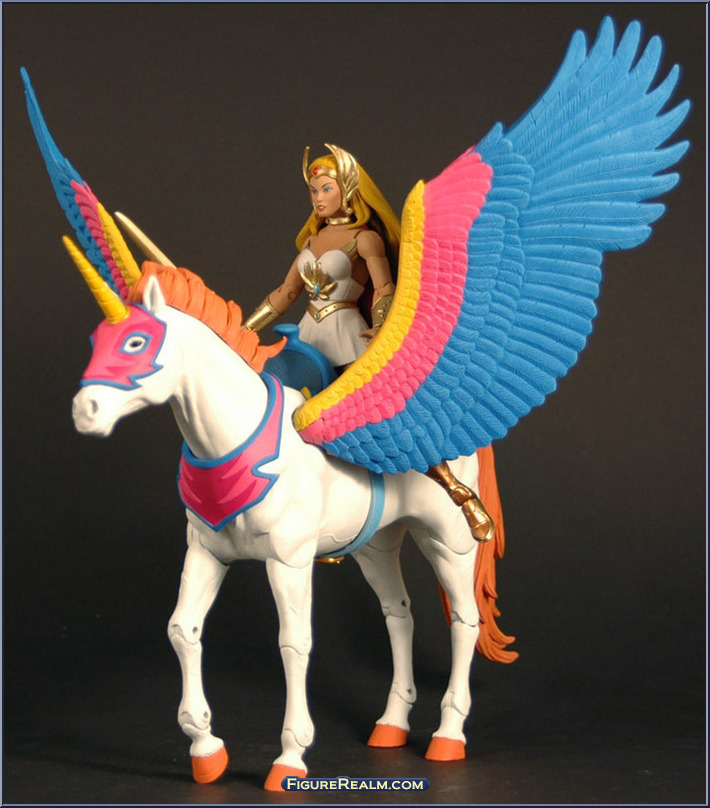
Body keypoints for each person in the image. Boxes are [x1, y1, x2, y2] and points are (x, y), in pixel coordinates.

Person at [245, 144, 494, 542]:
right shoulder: (311, 242)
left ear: (347, 189)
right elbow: (285, 293)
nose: (318, 198)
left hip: (348, 335)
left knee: (387, 416)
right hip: (307, 339)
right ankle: (319, 515)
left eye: (326, 188)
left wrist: (381, 327)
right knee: (282, 418)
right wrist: (243, 329)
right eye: (313, 190)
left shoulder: (365, 240)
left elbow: (385, 288)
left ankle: (456, 490)